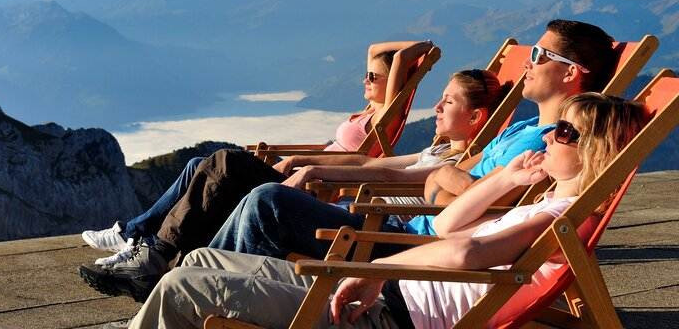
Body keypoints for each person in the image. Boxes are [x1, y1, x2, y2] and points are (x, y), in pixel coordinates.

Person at [80, 19, 618, 304]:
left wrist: (444, 177)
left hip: (412, 241)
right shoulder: (526, 129)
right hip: (407, 221)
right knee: (232, 174)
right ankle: (169, 267)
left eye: (542, 57)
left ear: (571, 75)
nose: (530, 63)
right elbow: (432, 177)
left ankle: (180, 278)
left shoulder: (554, 143)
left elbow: (469, 207)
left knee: (256, 194)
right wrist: (334, 171)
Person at [125, 93, 650, 329]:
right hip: (378, 288)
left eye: (565, 131)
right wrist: (506, 179)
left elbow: (466, 249)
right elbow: (446, 225)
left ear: (596, 153)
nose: (550, 134)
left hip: (380, 312)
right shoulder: (551, 202)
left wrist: (372, 272)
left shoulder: (560, 218)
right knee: (198, 262)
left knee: (181, 286)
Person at [79, 67, 509, 303]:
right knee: (200, 163)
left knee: (228, 166)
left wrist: (317, 174)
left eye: (448, 101)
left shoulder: (454, 160)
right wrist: (307, 160)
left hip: (375, 229)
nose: (436, 105)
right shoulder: (437, 150)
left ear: (474, 118)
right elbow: (370, 160)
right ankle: (146, 243)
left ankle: (158, 256)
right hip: (354, 211)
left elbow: (388, 176)